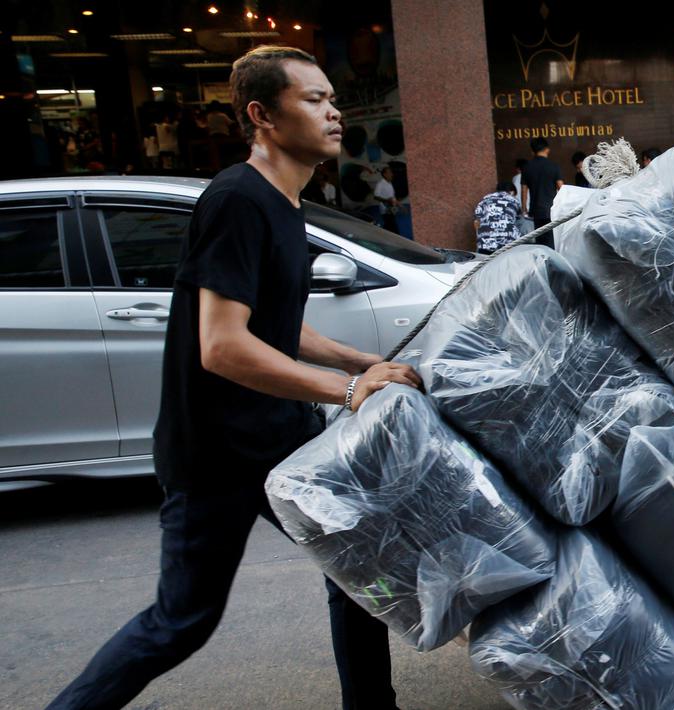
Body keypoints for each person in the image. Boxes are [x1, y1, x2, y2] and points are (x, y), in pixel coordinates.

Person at [47, 45, 413, 710]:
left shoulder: (285, 201)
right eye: (313, 100)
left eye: (332, 98)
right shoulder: (237, 201)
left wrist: (353, 359)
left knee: (357, 573)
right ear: (261, 115)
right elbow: (221, 347)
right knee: (180, 622)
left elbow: (271, 319)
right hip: (215, 454)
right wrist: (350, 391)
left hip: (276, 437)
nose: (334, 112)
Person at [520, 137, 563, 248]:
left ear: (532, 151)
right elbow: (561, 188)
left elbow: (524, 190)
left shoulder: (526, 167)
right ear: (547, 149)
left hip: (536, 210)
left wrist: (524, 207)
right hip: (552, 209)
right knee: (552, 239)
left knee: (540, 239)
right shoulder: (554, 166)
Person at [474, 181, 521, 254]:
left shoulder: (484, 200)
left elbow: (477, 221)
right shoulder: (514, 200)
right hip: (508, 243)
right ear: (512, 192)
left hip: (485, 243)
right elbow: (519, 219)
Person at [374, 165, 399, 233]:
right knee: (393, 227)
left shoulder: (390, 183)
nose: (392, 174)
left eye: (391, 172)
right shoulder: (380, 184)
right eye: (390, 172)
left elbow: (392, 195)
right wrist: (387, 201)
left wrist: (397, 204)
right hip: (385, 209)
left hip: (392, 208)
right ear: (385, 174)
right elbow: (375, 197)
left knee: (388, 225)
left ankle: (381, 234)